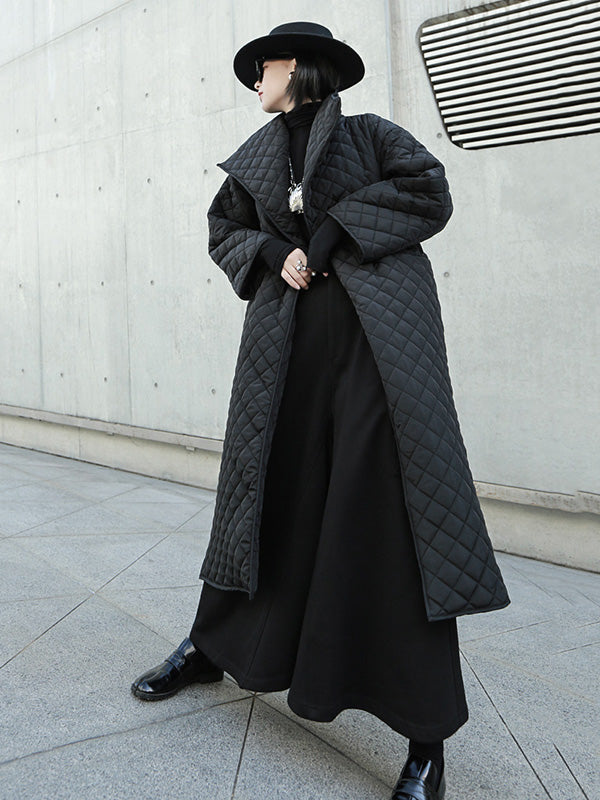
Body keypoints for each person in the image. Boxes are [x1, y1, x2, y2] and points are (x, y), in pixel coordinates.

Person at [131, 21, 510, 800]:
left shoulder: (371, 135)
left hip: (377, 353)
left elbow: (428, 191)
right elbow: (223, 229)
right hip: (286, 351)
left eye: (262, 68)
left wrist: (335, 231)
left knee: (390, 516)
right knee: (261, 496)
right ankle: (211, 646)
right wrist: (273, 252)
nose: (254, 81)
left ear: (298, 67)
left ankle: (426, 736)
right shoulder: (258, 154)